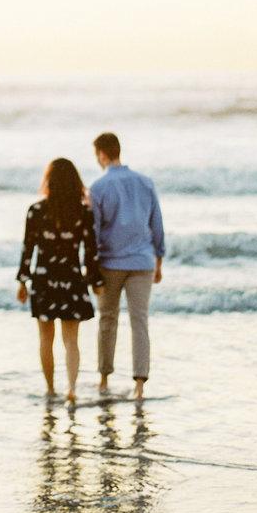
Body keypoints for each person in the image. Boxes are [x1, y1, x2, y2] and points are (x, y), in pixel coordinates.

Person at [17, 158, 104, 402]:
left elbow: (28, 248)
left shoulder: (35, 211)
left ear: (49, 181)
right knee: (71, 340)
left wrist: (22, 281)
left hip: (43, 279)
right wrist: (95, 280)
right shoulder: (82, 212)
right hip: (72, 279)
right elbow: (90, 250)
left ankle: (50, 388)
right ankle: (72, 389)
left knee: (45, 338)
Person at [90, 132, 165, 400]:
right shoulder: (145, 183)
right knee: (139, 321)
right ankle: (140, 386)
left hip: (110, 263)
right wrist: (159, 259)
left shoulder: (98, 188)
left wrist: (92, 266)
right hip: (143, 261)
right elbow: (156, 223)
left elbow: (95, 231)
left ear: (101, 154)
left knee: (107, 320)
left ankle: (103, 379)